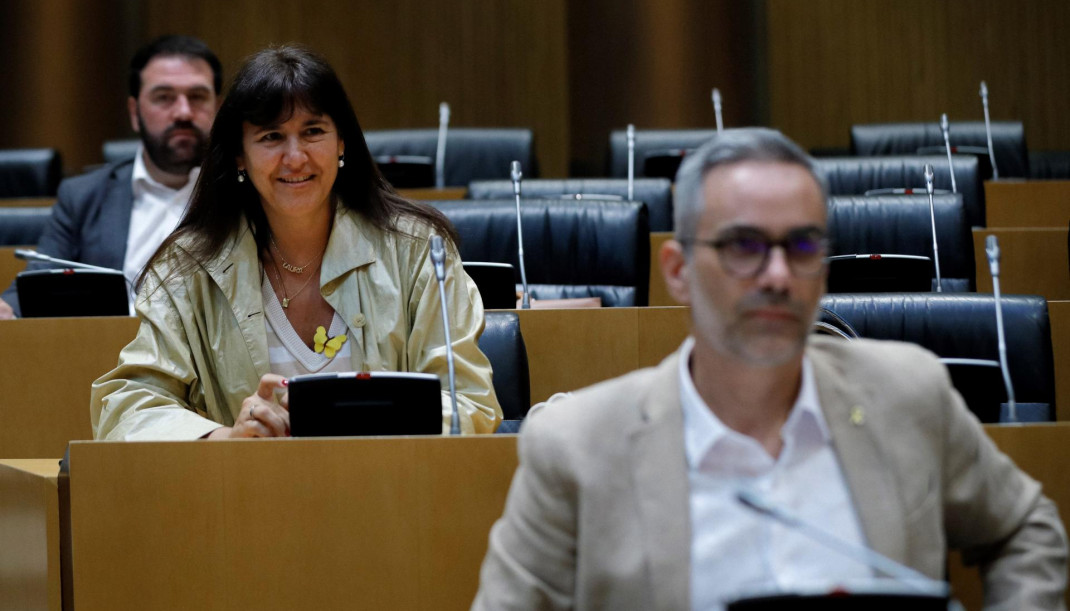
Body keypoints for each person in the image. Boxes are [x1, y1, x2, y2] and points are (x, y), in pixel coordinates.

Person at [473, 128, 1067, 610]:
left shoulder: (906, 394)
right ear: (677, 270)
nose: (778, 276)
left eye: (803, 247)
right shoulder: (578, 449)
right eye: (744, 247)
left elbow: (1024, 528)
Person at [91, 45, 501, 440]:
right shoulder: (189, 267)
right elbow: (127, 406)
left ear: (342, 143)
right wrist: (225, 438)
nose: (295, 157)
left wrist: (354, 420)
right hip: (247, 499)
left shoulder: (417, 250)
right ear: (239, 155)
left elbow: (471, 403)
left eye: (313, 131)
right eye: (271, 136)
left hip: (394, 492)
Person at [0, 35, 222, 318]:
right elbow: (34, 284)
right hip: (106, 352)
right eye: (164, 97)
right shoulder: (83, 196)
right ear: (134, 112)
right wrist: (7, 310)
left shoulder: (244, 191)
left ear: (219, 107)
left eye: (197, 97)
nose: (182, 111)